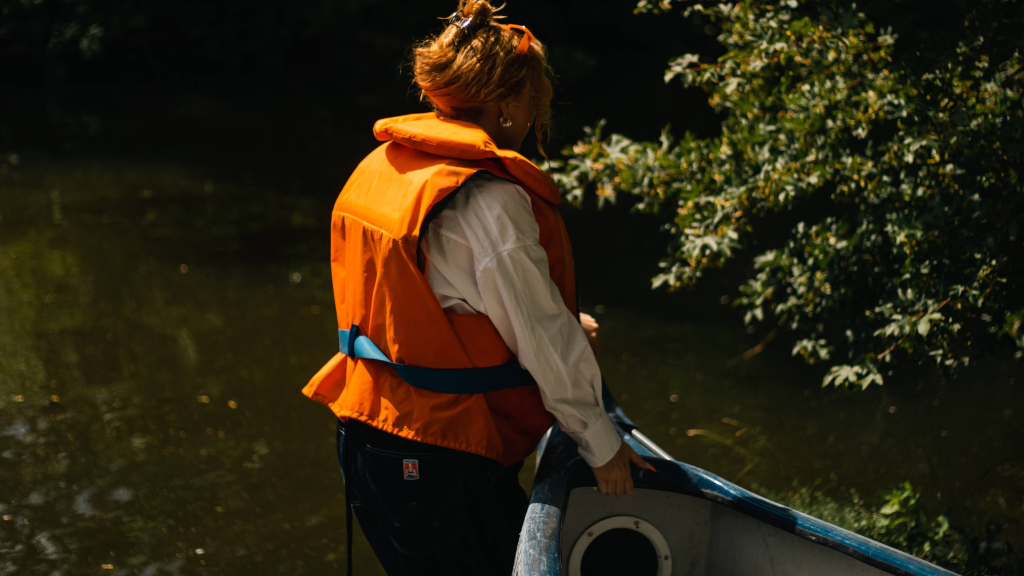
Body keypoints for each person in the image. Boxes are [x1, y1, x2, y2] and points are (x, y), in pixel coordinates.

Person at [302, 2, 652, 574]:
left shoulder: (387, 165)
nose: (540, 105)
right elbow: (540, 336)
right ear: (509, 105)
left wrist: (566, 323)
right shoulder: (491, 201)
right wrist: (602, 445)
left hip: (366, 434)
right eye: (536, 94)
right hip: (438, 454)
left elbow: (443, 303)